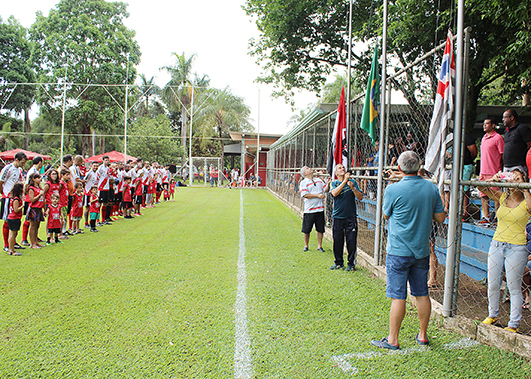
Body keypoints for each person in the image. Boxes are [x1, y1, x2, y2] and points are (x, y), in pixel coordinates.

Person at [371, 151, 445, 350]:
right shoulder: (431, 188)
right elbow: (440, 218)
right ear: (419, 166)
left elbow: (386, 215)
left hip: (398, 250)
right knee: (421, 293)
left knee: (398, 296)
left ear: (399, 168)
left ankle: (393, 339)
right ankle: (422, 335)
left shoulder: (393, 189)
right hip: (421, 250)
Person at [478, 169, 531, 332]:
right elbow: (482, 188)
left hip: (517, 247)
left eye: (516, 177)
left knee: (514, 287)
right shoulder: (503, 196)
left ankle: (513, 324)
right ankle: (492, 314)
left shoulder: (525, 199)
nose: (512, 180)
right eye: (509, 177)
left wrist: (523, 186)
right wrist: (493, 180)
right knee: (493, 284)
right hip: (497, 244)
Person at [326, 163, 363, 271]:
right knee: (337, 241)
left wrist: (353, 188)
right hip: (337, 216)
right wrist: (345, 181)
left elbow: (360, 197)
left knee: (351, 241)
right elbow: (334, 193)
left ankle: (351, 264)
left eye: (343, 167)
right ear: (336, 173)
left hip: (350, 217)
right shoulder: (334, 183)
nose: (342, 169)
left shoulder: (353, 182)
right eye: (339, 168)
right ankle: (338, 262)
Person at [478, 118, 504, 224]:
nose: (485, 126)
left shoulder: (498, 138)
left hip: (494, 171)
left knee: (495, 194)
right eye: (484, 124)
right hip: (483, 171)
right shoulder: (484, 138)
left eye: (487, 124)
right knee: (483, 194)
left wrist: (500, 170)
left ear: (493, 125)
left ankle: (497, 217)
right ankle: (486, 216)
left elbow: (502, 154)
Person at [0, 151, 27, 252]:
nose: (23, 165)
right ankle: (6, 244)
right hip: (7, 197)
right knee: (7, 220)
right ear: (17, 160)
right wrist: (4, 193)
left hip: (16, 198)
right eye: (22, 162)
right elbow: (1, 181)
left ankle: (13, 242)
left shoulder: (20, 170)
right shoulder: (8, 168)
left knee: (15, 220)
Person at [299, 166, 326, 252]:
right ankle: (306, 245)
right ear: (304, 173)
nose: (310, 168)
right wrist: (318, 195)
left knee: (320, 229)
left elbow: (325, 189)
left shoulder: (319, 180)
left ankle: (319, 246)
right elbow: (305, 194)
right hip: (309, 210)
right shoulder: (303, 183)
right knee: (306, 229)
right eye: (307, 168)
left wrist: (328, 183)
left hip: (320, 209)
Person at [27, 173, 46, 249]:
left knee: (37, 226)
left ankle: (36, 241)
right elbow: (32, 200)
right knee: (33, 226)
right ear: (34, 179)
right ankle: (32, 243)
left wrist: (45, 209)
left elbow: (43, 200)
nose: (39, 179)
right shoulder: (31, 188)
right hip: (34, 208)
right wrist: (39, 195)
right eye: (38, 178)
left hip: (39, 208)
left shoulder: (39, 187)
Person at [462, 133, 478, 221]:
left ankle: (465, 212)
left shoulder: (467, 136)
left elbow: (473, 152)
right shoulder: (453, 136)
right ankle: (456, 210)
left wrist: (467, 160)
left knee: (465, 189)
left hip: (466, 165)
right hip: (457, 166)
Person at [6, 183, 24, 256]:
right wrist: (22, 206)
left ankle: (11, 248)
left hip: (14, 218)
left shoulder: (14, 198)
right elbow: (16, 209)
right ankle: (11, 250)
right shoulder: (16, 199)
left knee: (14, 234)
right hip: (13, 218)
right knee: (13, 234)